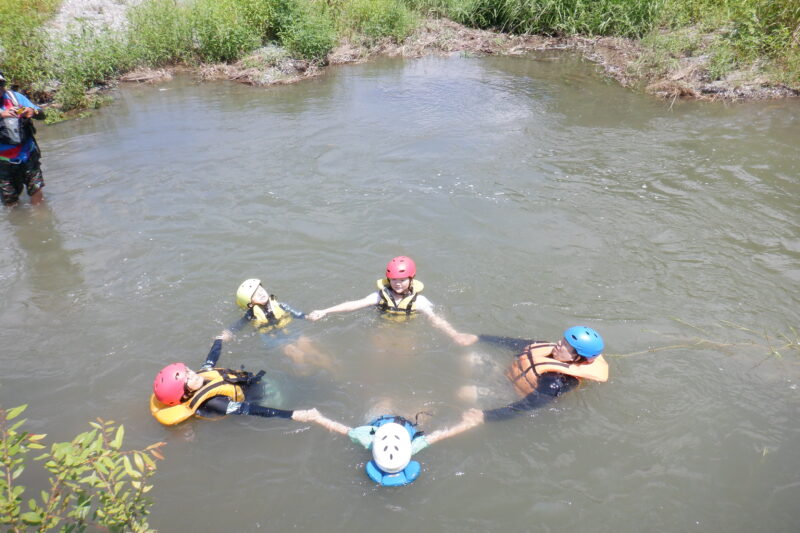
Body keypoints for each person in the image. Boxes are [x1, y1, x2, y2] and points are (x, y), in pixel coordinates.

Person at [447, 326, 608, 436]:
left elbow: (526, 406)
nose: (559, 344)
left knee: (463, 393)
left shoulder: (554, 382)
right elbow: (513, 343)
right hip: (509, 376)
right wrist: (478, 338)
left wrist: (486, 416)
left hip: (512, 393)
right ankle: (481, 378)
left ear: (577, 358)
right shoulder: (549, 349)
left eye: (566, 346)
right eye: (563, 340)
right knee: (468, 357)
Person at [150, 331, 320, 426]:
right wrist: (292, 415)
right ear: (185, 394)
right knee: (307, 389)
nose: (193, 374)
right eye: (188, 378)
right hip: (269, 397)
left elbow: (210, 360)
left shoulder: (201, 377)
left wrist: (219, 340)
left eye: (188, 371)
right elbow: (251, 410)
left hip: (262, 384)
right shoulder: (214, 402)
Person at [307, 256, 477, 346]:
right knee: (378, 354)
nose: (398, 283)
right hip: (382, 329)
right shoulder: (380, 296)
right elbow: (354, 304)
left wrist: (454, 334)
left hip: (406, 331)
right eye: (394, 279)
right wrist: (325, 311)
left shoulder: (420, 301)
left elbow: (435, 320)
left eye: (403, 279)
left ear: (412, 278)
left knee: (404, 354)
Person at [305, 406, 483, 486]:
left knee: (384, 402)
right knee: (426, 408)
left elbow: (341, 429)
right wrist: (466, 424)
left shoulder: (366, 438)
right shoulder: (411, 446)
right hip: (406, 422)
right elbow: (440, 434)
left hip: (381, 417)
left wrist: (317, 418)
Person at [223, 278, 335, 374]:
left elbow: (295, 313)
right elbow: (238, 325)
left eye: (261, 290)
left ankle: (330, 366)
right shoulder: (251, 315)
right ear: (250, 303)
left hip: (287, 329)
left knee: (305, 342)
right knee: (293, 350)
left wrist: (308, 317)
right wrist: (228, 333)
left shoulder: (280, 305)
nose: (261, 293)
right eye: (256, 294)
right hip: (269, 336)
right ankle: (304, 372)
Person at [0, 70, 46, 207]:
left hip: (28, 154)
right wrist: (2, 115)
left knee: (36, 190)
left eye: (1, 84)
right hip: (3, 163)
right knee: (10, 201)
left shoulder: (14, 97)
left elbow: (42, 114)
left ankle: (40, 220)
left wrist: (33, 111)